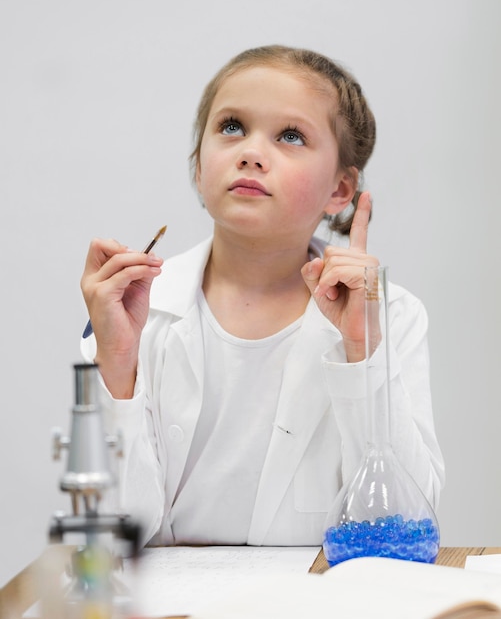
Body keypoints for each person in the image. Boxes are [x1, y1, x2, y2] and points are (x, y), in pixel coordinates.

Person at [80, 44, 445, 547]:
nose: (250, 151)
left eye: (291, 136)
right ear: (198, 164)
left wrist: (364, 352)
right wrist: (118, 364)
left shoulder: (391, 315)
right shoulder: (130, 309)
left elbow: (406, 517)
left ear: (340, 190)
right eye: (231, 127)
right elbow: (111, 536)